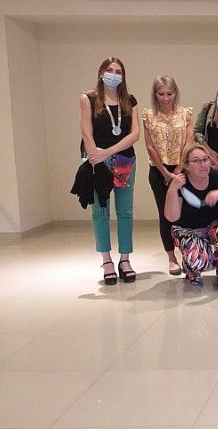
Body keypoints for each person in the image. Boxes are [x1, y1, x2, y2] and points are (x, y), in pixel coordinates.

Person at [79, 57, 140, 285]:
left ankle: (125, 259)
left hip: (124, 160)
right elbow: (86, 131)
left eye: (118, 71)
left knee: (125, 212)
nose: (113, 74)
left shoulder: (130, 101)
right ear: (101, 72)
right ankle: (106, 261)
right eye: (110, 70)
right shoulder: (88, 98)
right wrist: (97, 158)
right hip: (97, 161)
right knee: (100, 211)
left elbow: (135, 134)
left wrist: (110, 152)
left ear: (123, 76)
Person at [164, 144, 218, 291]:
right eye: (196, 161)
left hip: (215, 226)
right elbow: (171, 217)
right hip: (188, 229)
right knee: (202, 260)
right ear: (187, 165)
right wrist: (172, 189)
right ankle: (191, 267)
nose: (203, 164)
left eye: (205, 159)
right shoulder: (180, 183)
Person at [142, 75, 194, 276]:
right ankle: (171, 258)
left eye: (169, 94)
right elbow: (149, 146)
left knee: (185, 213)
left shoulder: (185, 114)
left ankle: (188, 254)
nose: (165, 98)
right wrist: (165, 172)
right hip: (158, 171)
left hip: (182, 169)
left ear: (175, 93)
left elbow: (188, 142)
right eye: (161, 94)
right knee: (166, 215)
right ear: (155, 94)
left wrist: (178, 169)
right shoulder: (148, 115)